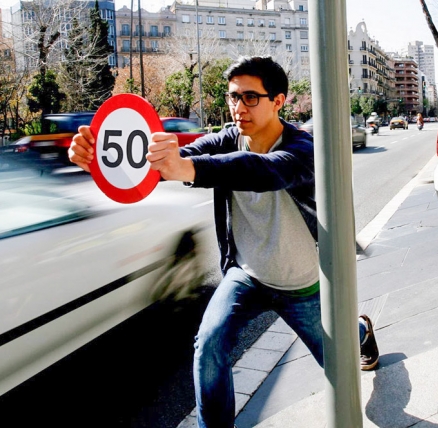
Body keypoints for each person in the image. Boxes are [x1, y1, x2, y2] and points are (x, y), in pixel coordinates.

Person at [68, 56, 379, 428]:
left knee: (341, 365)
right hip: (246, 276)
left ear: (278, 101)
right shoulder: (224, 139)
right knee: (208, 347)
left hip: (304, 283)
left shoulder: (304, 148)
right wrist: (105, 164)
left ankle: (359, 330)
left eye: (250, 98)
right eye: (233, 97)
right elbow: (174, 160)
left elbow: (265, 171)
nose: (238, 107)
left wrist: (190, 169)